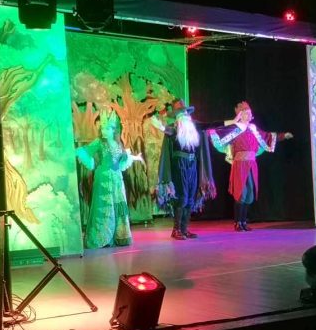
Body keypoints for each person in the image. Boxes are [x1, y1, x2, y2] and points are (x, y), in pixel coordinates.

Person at [207, 101, 293, 231]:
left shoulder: (253, 129)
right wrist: (209, 130)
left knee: (249, 194)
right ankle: (238, 223)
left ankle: (243, 221)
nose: (249, 115)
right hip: (240, 164)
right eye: (246, 113)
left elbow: (267, 137)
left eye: (249, 113)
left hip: (252, 164)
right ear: (240, 115)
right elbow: (218, 132)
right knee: (241, 193)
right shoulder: (235, 128)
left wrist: (283, 136)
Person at [152, 99, 217, 240]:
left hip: (192, 164)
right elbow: (169, 131)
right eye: (181, 113)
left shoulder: (193, 128)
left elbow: (210, 125)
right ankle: (176, 230)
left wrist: (233, 122)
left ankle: (184, 229)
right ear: (176, 116)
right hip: (179, 165)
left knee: (190, 198)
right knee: (181, 197)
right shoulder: (174, 128)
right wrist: (161, 126)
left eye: (186, 112)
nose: (185, 115)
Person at [76, 110, 142, 249]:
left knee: (118, 204)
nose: (104, 131)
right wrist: (89, 161)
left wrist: (134, 157)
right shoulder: (99, 142)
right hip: (103, 178)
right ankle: (102, 237)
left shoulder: (118, 144)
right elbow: (84, 151)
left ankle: (119, 235)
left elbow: (122, 161)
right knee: (104, 206)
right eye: (103, 128)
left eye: (107, 128)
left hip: (117, 179)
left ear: (114, 130)